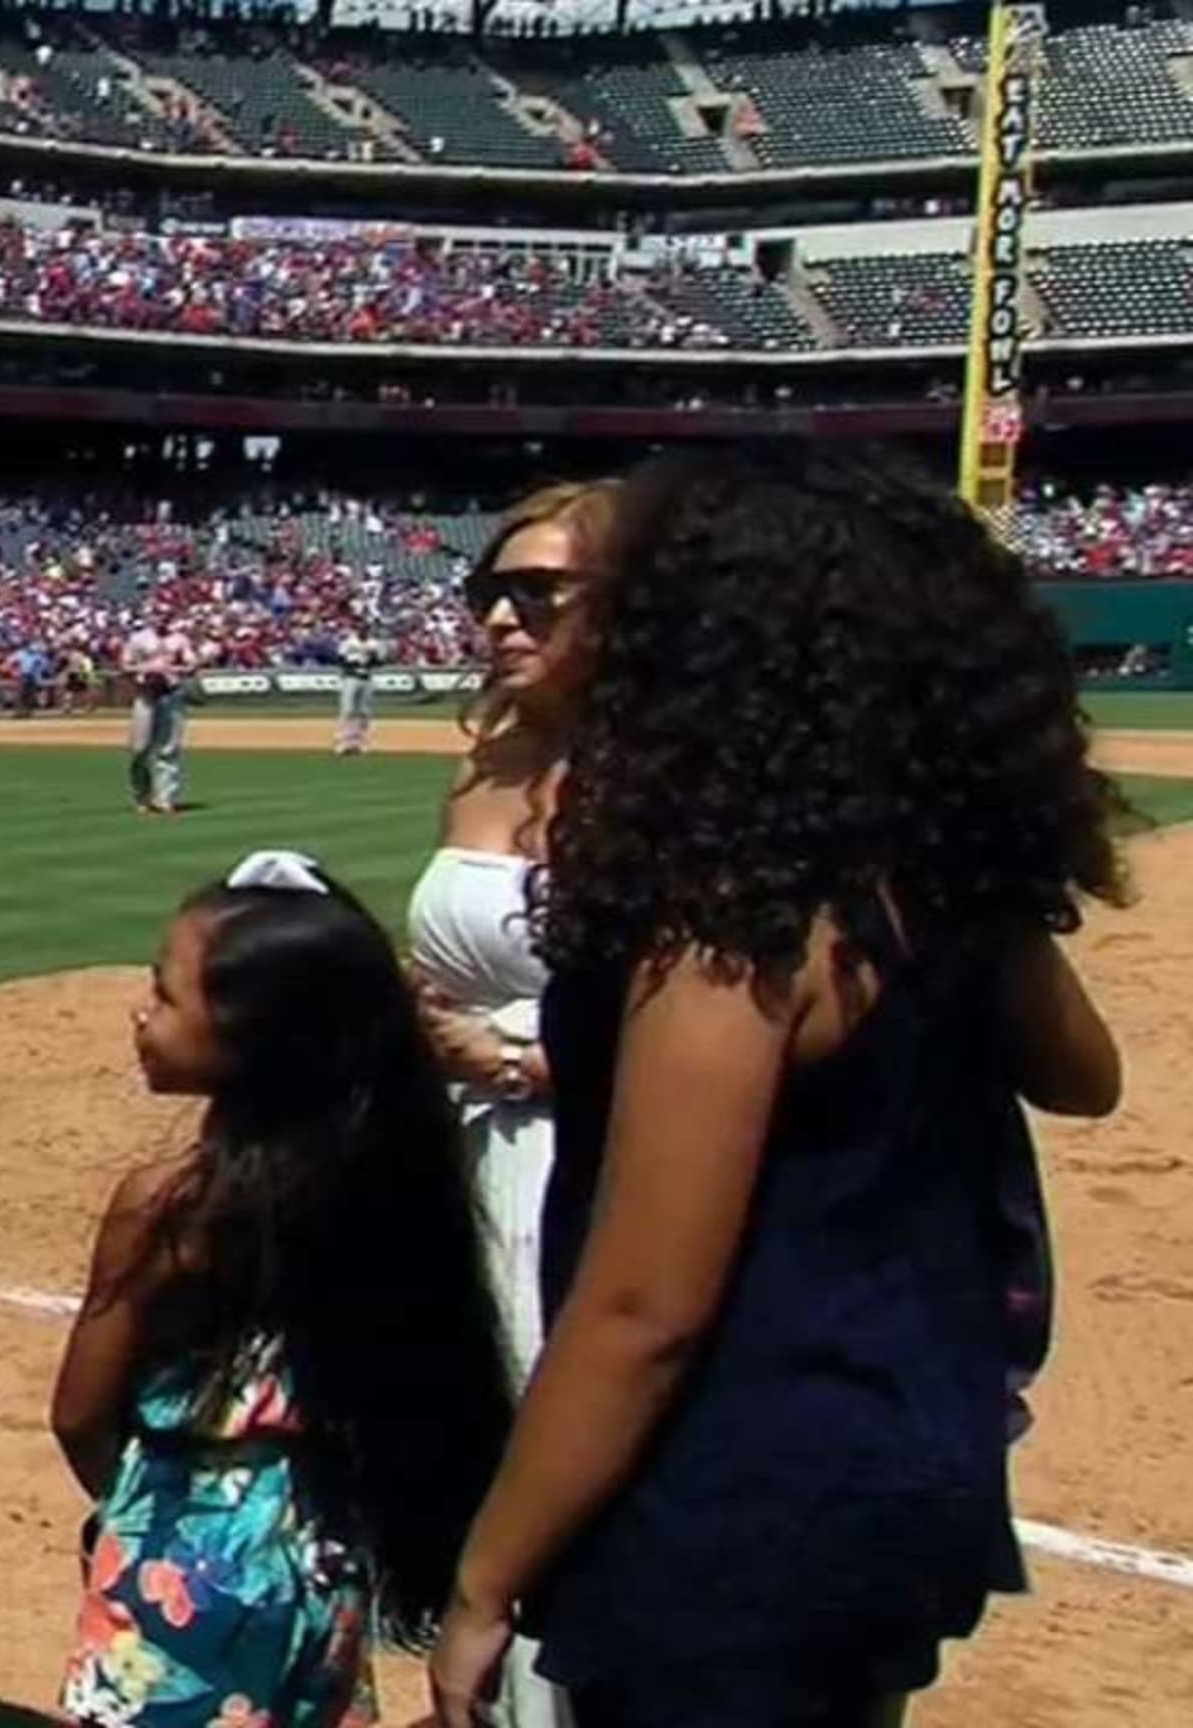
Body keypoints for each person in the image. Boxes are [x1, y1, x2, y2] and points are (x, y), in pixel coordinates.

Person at [425, 447, 1129, 1728]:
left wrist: (485, 1580)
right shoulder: (921, 874)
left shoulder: (727, 929)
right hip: (904, 1448)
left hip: (736, 1496)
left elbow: (647, 1309)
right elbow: (1085, 1079)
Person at [53, 850, 511, 1728]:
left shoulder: (170, 1205)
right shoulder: (381, 1180)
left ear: (251, 1039)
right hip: (316, 1555)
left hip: (182, 1555)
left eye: (167, 995)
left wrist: (144, 1519)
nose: (143, 1013)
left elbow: (79, 1414)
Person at [406, 482, 612, 1728]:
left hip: (611, 1162)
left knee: (575, 1463)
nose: (499, 616)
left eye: (538, 593)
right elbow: (453, 961)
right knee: (483, 1450)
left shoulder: (692, 777)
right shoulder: (490, 763)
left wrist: (530, 1065)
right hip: (475, 1165)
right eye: (489, 589)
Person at [121, 621, 194, 815]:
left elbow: (191, 662)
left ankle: (165, 799)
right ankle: (141, 795)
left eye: (167, 615)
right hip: (146, 694)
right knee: (139, 749)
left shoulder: (179, 639)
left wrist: (180, 668)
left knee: (169, 748)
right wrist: (145, 669)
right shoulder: (139, 638)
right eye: (159, 615)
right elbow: (125, 664)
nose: (163, 619)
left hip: (170, 693)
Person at [333, 629, 379, 756]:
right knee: (347, 710)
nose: (363, 630)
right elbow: (339, 659)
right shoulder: (348, 643)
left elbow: (378, 661)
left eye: (365, 627)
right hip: (350, 678)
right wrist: (352, 664)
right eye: (360, 627)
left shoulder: (373, 643)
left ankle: (360, 743)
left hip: (366, 679)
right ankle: (342, 743)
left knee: (364, 712)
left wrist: (370, 661)